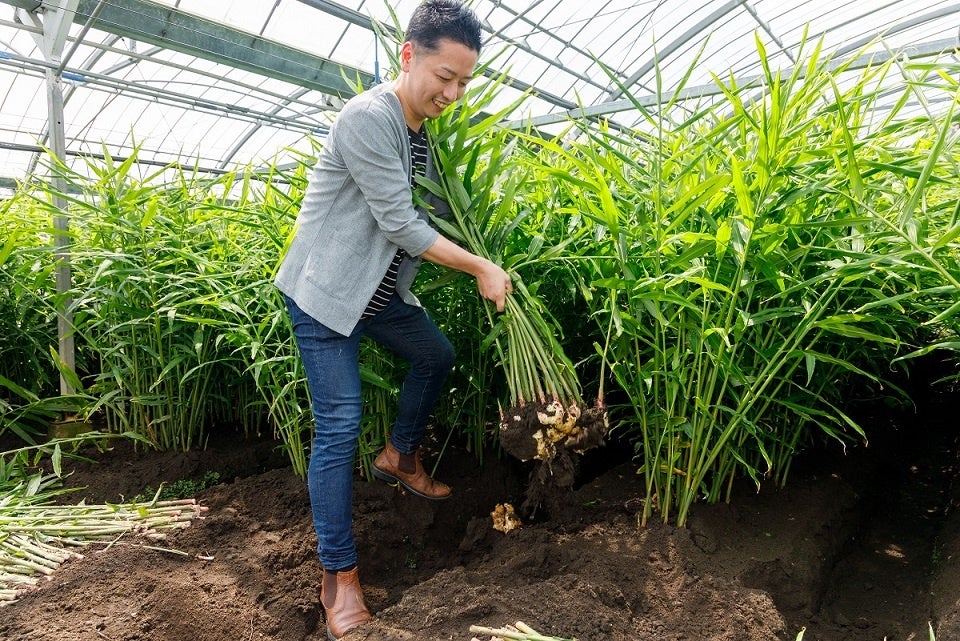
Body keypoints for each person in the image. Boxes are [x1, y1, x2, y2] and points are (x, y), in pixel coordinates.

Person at [273, 1, 511, 638]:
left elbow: (430, 213)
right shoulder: (368, 117)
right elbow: (401, 225)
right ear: (408, 56)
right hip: (326, 296)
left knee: (436, 356)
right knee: (339, 422)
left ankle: (400, 456)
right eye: (444, 76)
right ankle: (338, 575)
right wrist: (481, 266)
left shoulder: (421, 135)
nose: (453, 93)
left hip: (375, 298)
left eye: (464, 82)